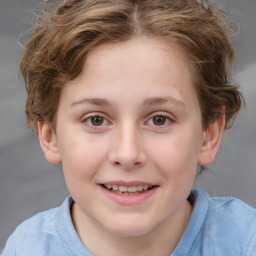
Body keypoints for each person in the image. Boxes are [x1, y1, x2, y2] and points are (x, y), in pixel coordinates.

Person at [2, 0, 256, 255]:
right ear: (50, 137)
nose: (127, 154)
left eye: (159, 119)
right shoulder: (26, 248)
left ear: (208, 136)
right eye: (96, 120)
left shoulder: (245, 242)